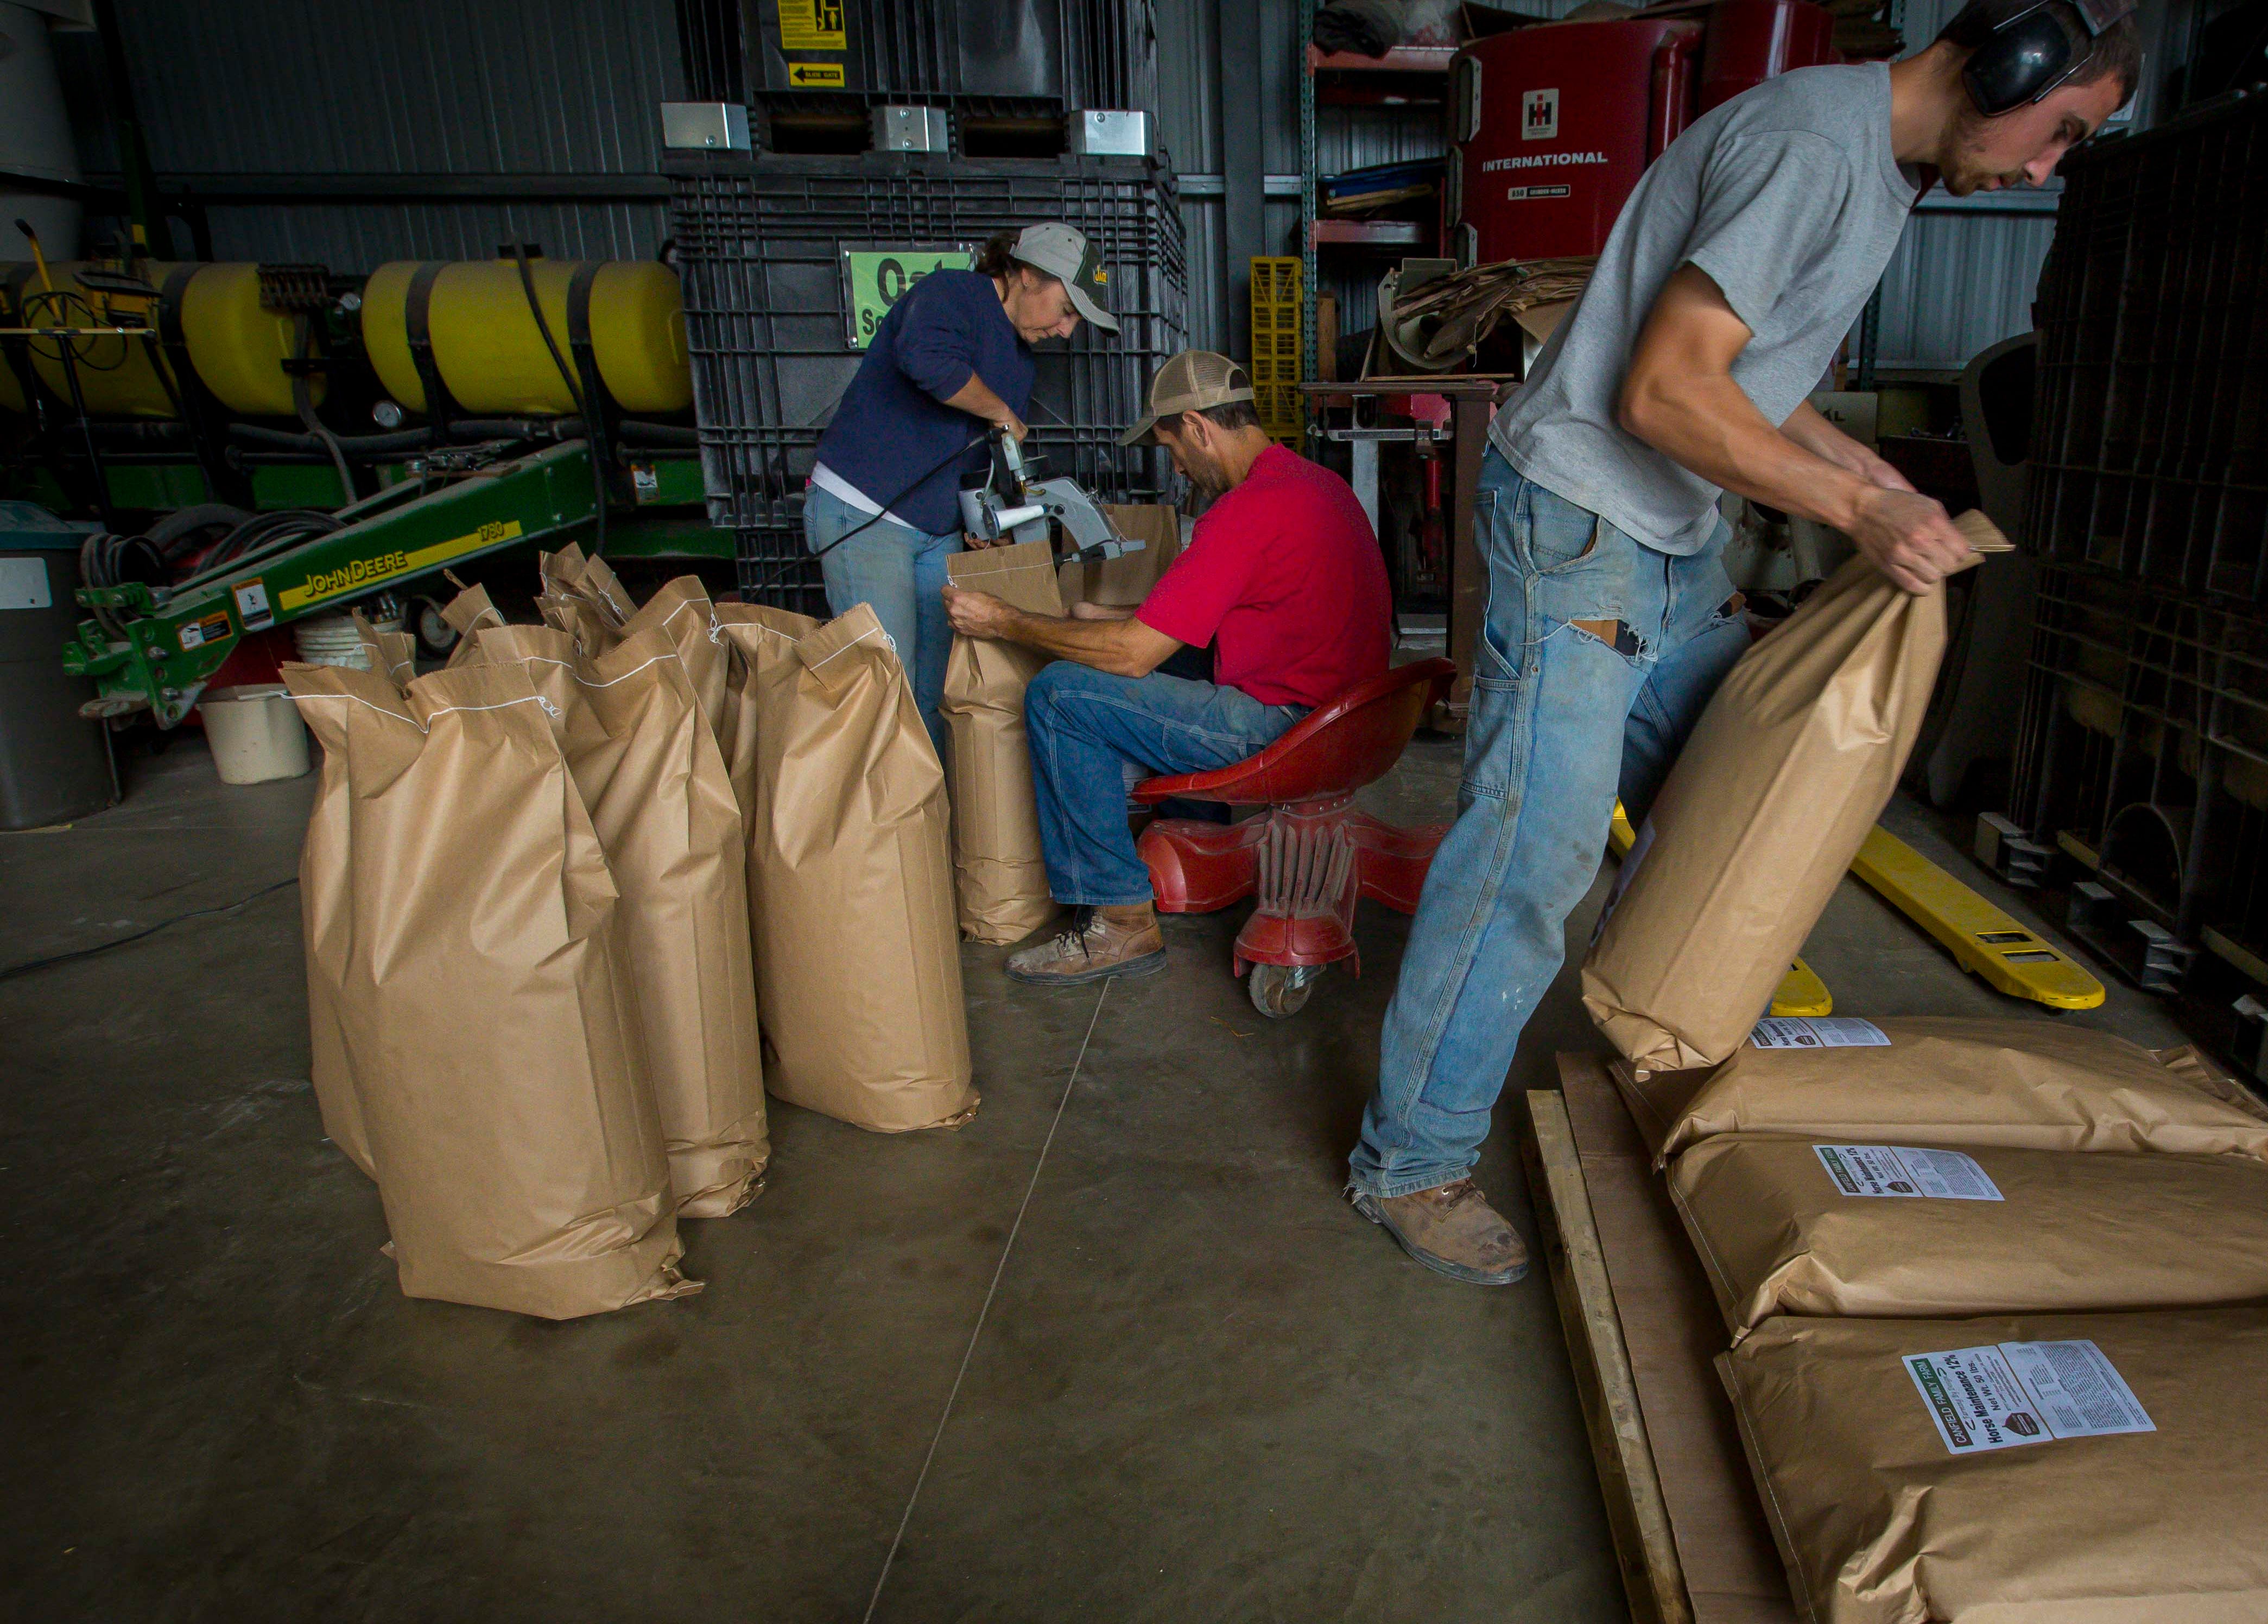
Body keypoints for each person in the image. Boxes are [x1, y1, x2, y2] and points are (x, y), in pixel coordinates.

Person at [1342, 0, 2142, 1285]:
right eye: (2059, 133)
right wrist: (1860, 514)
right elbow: (1663, 389)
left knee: (1740, 791)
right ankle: (1409, 1160)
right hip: (1582, 522)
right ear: (2012, 67)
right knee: (1532, 854)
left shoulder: (1877, 169)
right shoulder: (1811, 148)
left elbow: (1746, 377)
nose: (2045, 169)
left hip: (1670, 536)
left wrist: (1859, 467)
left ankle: (1685, 1050)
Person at [943, 351, 1391, 986]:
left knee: (1060, 696)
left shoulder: (1245, 511)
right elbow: (1223, 614)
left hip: (1290, 729)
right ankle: (1196, 841)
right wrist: (1108, 616)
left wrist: (1004, 620)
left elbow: (1133, 654)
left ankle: (1118, 921)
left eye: (1172, 448)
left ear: (1199, 429)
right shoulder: (1315, 485)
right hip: (1357, 719)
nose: (1176, 466)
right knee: (1166, 658)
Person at [806, 221, 1119, 743]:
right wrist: (998, 411)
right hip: (864, 510)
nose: (1067, 332)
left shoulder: (1019, 361)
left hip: (936, 531)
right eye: (1066, 310)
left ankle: (933, 795)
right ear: (1027, 274)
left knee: (936, 688)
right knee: (888, 688)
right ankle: (885, 799)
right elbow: (923, 358)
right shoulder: (952, 294)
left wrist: (985, 522)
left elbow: (981, 454)